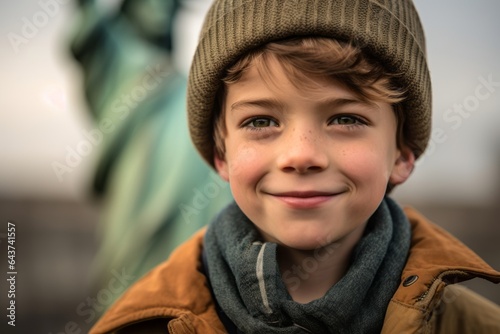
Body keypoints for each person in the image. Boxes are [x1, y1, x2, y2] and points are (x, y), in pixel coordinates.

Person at [89, 0, 500, 333]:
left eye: (345, 119)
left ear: (402, 153)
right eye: (261, 122)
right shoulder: (140, 323)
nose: (301, 155)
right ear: (221, 155)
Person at [70, 0, 232, 310]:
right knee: (131, 286)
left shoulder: (184, 83)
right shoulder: (114, 53)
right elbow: (87, 28)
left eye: (170, 4)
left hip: (191, 201)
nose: (162, 9)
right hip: (136, 197)